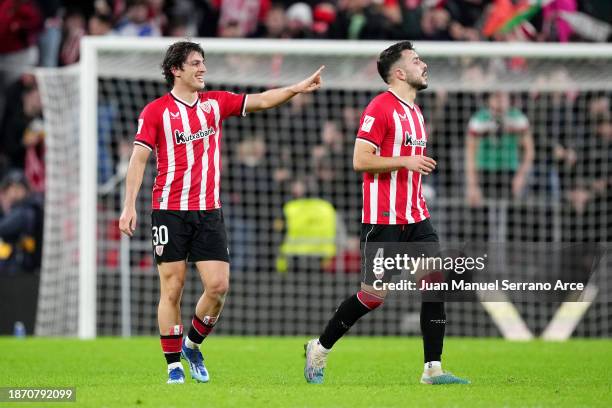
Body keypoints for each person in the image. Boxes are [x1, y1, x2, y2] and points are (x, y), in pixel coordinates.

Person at [118, 40, 323, 384]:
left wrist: (297, 88)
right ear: (176, 70)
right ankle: (173, 366)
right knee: (172, 289)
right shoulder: (156, 112)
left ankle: (192, 344)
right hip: (169, 210)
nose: (203, 69)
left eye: (203, 63)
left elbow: (260, 100)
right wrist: (128, 206)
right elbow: (138, 159)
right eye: (196, 63)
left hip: (209, 212)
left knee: (218, 286)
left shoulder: (215, 104)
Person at [304, 41, 469, 385]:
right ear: (398, 72)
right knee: (373, 296)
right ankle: (319, 348)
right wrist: (405, 160)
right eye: (415, 60)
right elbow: (360, 160)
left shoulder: (416, 113)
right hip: (383, 219)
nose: (423, 65)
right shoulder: (380, 108)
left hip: (416, 216)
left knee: (435, 285)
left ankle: (432, 369)